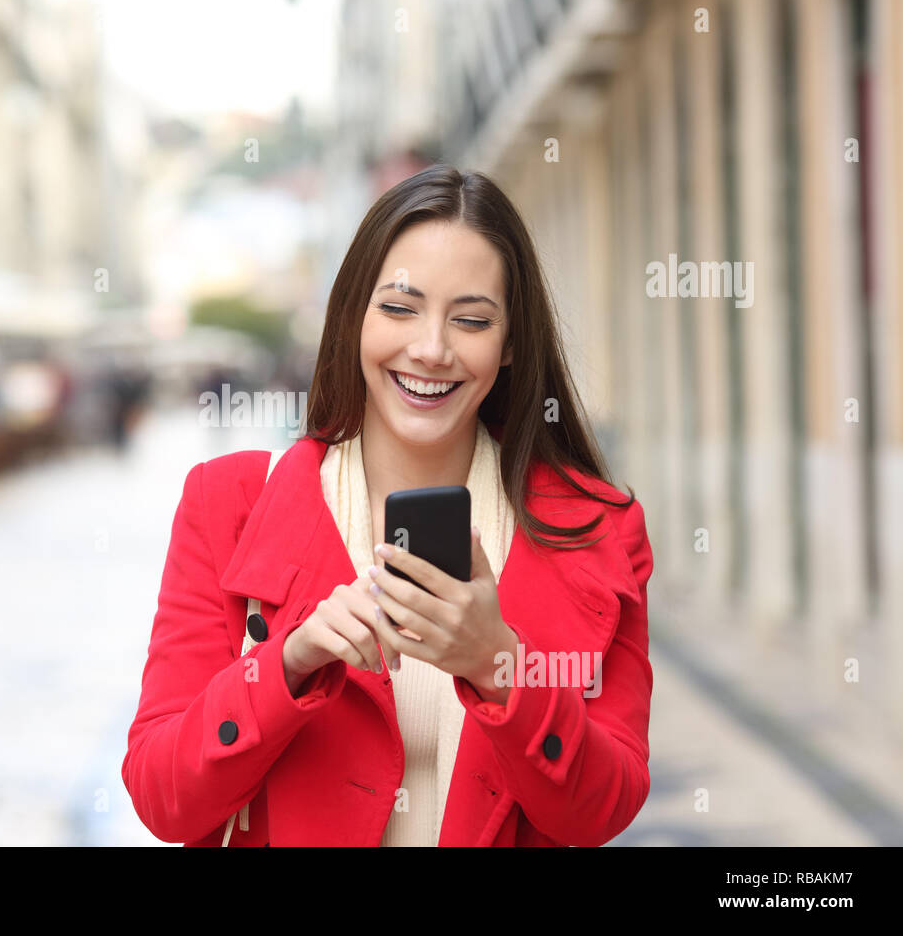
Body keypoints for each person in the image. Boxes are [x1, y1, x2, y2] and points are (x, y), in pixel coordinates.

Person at [121, 166, 654, 846]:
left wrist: (500, 668)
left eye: (470, 320)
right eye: (399, 309)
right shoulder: (227, 506)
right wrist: (286, 663)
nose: (430, 350)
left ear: (511, 341)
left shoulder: (598, 530)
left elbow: (601, 810)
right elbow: (164, 800)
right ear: (351, 317)